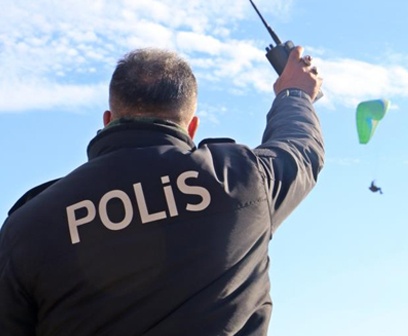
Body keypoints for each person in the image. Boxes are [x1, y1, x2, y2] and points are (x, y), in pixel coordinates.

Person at [0, 45, 323, 335]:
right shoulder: (242, 179)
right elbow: (299, 147)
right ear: (191, 126)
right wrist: (294, 92)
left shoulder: (30, 224)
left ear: (108, 118)